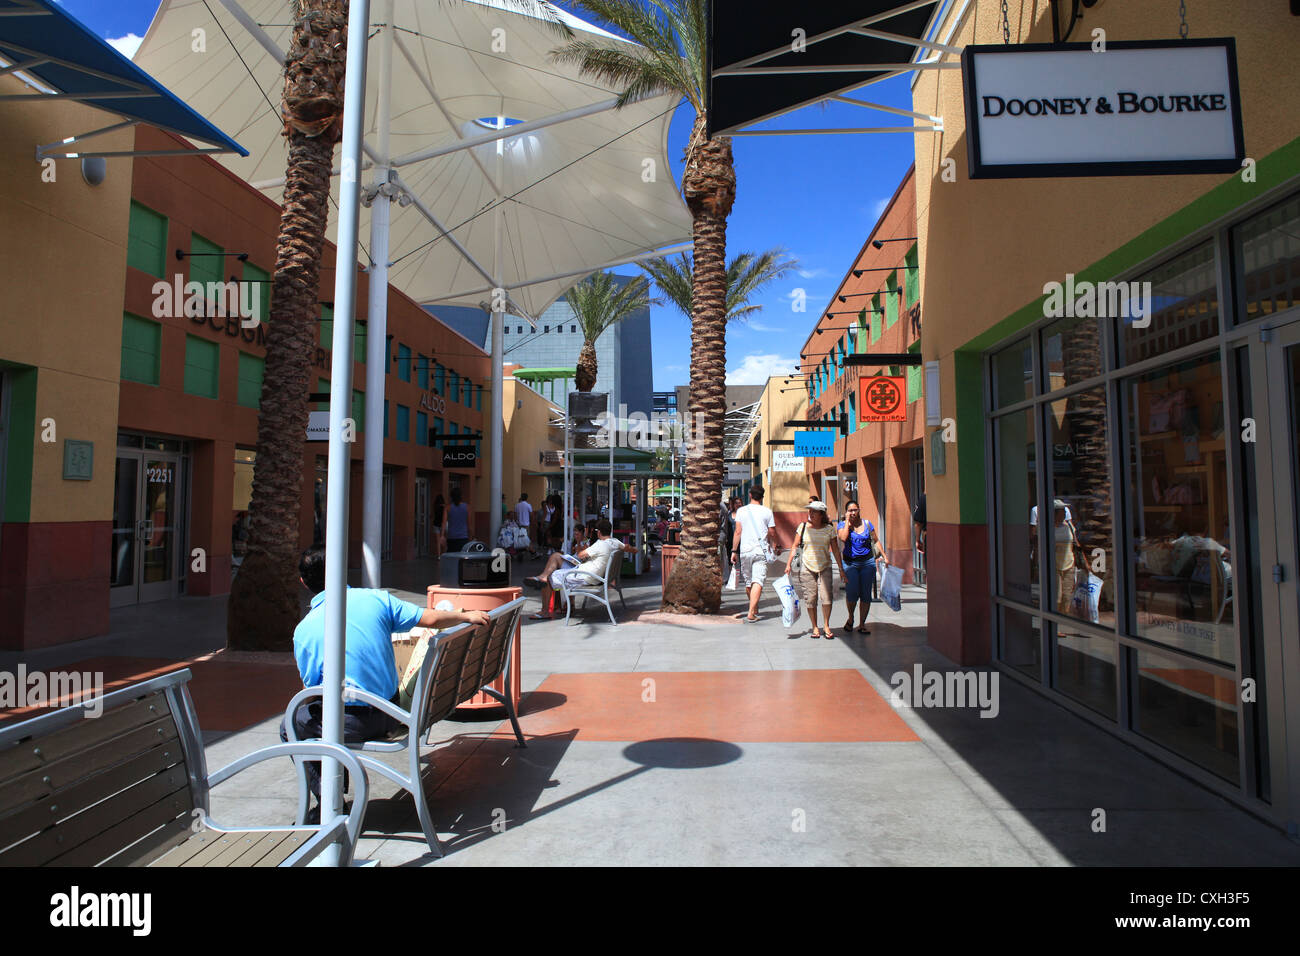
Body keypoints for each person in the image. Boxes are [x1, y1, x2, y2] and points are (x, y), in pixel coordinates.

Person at [281, 546, 488, 819]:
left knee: (291, 725)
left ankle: (330, 798)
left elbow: (313, 691)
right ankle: (333, 794)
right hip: (390, 713)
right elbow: (432, 618)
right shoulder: (376, 600)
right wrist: (465, 615)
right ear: (341, 571)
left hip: (351, 722)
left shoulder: (304, 631)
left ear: (304, 582)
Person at [523, 518, 635, 620]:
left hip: (585, 576)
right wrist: (631, 548)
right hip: (589, 573)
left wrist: (582, 544)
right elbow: (631, 549)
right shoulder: (615, 542)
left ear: (599, 532)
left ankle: (544, 611)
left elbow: (581, 554)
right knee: (556, 556)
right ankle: (543, 577)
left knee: (550, 578)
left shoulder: (600, 544)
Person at [785, 500, 845, 639]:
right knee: (810, 598)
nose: (810, 514)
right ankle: (815, 627)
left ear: (821, 514)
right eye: (809, 511)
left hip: (825, 566)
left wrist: (841, 568)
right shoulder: (803, 527)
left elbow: (835, 550)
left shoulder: (829, 529)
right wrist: (788, 564)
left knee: (826, 597)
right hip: (807, 566)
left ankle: (826, 625)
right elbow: (794, 546)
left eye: (813, 511)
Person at [838, 498, 887, 634]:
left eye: (855, 510)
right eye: (850, 510)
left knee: (866, 594)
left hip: (867, 562)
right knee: (852, 593)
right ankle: (851, 618)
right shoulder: (842, 525)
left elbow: (876, 541)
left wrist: (884, 555)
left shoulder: (867, 523)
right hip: (850, 563)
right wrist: (848, 521)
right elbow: (842, 538)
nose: (853, 512)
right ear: (846, 512)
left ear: (859, 510)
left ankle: (862, 624)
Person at [731, 485, 776, 624]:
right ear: (762, 496)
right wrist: (773, 546)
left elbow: (738, 532)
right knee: (758, 580)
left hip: (745, 551)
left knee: (750, 581)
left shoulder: (741, 511)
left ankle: (753, 608)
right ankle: (752, 611)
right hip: (760, 551)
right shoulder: (767, 511)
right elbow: (772, 532)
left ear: (750, 495)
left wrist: (734, 550)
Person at [718, 494, 741, 584]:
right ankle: (732, 577)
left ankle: (730, 577)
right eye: (736, 503)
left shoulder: (721, 507)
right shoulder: (729, 513)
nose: (738, 505)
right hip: (730, 538)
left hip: (738, 538)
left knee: (722, 558)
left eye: (739, 503)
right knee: (728, 558)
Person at [446, 487, 470, 552]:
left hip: (451, 537)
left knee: (451, 557)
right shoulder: (466, 506)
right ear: (461, 496)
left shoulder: (448, 507)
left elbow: (443, 523)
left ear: (451, 496)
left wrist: (442, 535)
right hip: (463, 537)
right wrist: (471, 535)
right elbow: (469, 523)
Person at [432, 494, 446, 558]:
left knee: (438, 541)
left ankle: (439, 556)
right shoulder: (444, 507)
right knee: (443, 540)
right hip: (443, 524)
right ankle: (444, 554)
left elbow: (433, 515)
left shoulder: (435, 506)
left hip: (436, 524)